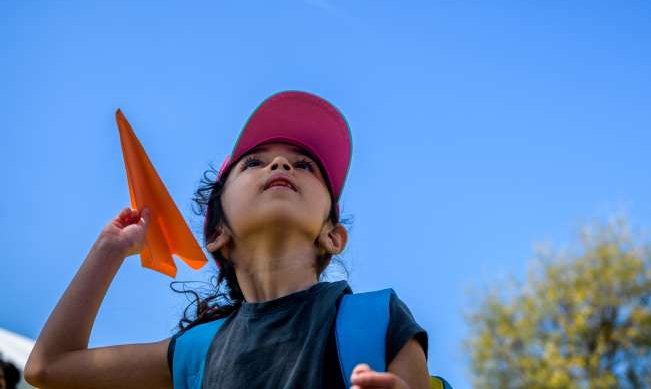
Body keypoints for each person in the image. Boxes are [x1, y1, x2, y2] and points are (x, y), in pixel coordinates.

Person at [24, 90, 431, 389]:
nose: (281, 162)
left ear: (333, 235)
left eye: (305, 164)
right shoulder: (194, 352)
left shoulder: (378, 320)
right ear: (218, 234)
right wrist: (108, 250)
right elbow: (48, 366)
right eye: (253, 161)